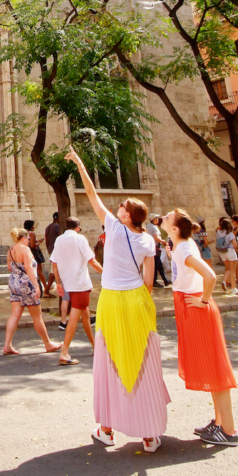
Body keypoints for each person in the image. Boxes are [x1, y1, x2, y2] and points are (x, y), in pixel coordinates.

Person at [65, 146, 169, 454]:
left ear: (127, 215)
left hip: (111, 300)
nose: (118, 207)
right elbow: (149, 282)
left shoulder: (112, 226)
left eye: (122, 206)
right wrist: (138, 300)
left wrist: (80, 163)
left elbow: (91, 193)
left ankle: (107, 430)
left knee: (110, 362)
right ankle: (149, 434)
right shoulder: (147, 240)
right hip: (138, 300)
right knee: (143, 362)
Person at [162, 208, 238, 446]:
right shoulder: (181, 246)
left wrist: (203, 301)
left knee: (215, 369)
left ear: (175, 228)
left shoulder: (184, 248)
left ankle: (229, 431)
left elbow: (210, 276)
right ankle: (219, 423)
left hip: (197, 310)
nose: (163, 218)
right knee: (211, 368)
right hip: (192, 309)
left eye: (167, 217)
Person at [50, 217, 102, 365]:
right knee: (76, 315)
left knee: (85, 314)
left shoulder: (59, 240)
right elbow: (92, 260)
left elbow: (54, 263)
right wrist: (106, 273)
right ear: (78, 227)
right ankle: (64, 352)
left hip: (68, 282)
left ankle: (95, 346)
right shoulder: (80, 239)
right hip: (80, 283)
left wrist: (58, 282)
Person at [3, 227, 62, 356]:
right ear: (24, 238)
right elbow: (29, 268)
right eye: (28, 238)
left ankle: (7, 344)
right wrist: (36, 285)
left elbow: (9, 267)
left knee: (15, 315)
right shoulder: (25, 249)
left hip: (14, 282)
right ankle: (47, 343)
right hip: (26, 283)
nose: (30, 240)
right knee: (37, 316)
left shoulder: (11, 249)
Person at [25, 219, 52, 297]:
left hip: (28, 253)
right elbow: (33, 245)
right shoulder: (32, 234)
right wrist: (39, 242)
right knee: (39, 271)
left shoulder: (24, 234)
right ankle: (46, 287)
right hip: (34, 254)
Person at [215, 217, 238, 295]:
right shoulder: (230, 234)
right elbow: (235, 245)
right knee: (233, 270)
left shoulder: (218, 233)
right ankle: (233, 288)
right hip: (230, 251)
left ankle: (224, 281)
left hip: (222, 252)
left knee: (228, 268)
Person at [146, 214, 169, 288]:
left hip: (150, 247)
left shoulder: (147, 226)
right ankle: (154, 281)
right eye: (156, 218)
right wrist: (163, 241)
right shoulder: (154, 227)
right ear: (154, 219)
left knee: (159, 265)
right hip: (155, 247)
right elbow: (156, 238)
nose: (157, 220)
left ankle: (165, 280)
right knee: (156, 265)